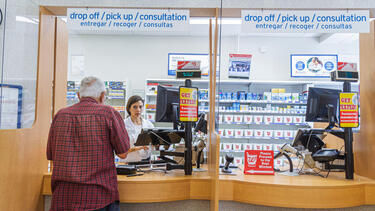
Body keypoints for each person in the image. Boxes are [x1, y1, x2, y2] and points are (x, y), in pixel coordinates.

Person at [47, 76, 130, 211]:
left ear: (78, 95)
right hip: (98, 197)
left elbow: (51, 156)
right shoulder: (108, 114)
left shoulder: (60, 115)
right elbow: (123, 153)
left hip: (63, 198)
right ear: (103, 96)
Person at [119, 95, 154, 163]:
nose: (138, 110)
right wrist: (137, 148)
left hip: (145, 163)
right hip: (127, 163)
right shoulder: (122, 125)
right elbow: (120, 150)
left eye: (140, 107)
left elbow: (152, 145)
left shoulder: (149, 125)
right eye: (135, 107)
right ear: (129, 108)